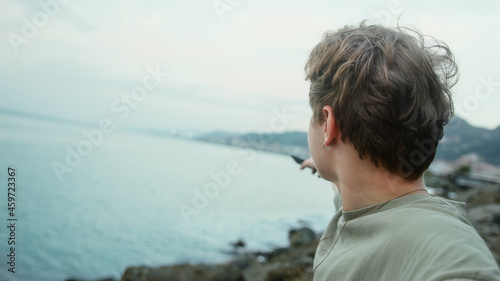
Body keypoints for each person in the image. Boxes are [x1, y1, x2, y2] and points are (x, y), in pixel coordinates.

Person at [302, 22, 500, 281]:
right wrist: (322, 163)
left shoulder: (448, 252)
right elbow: (350, 179)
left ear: (328, 124)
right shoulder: (368, 201)